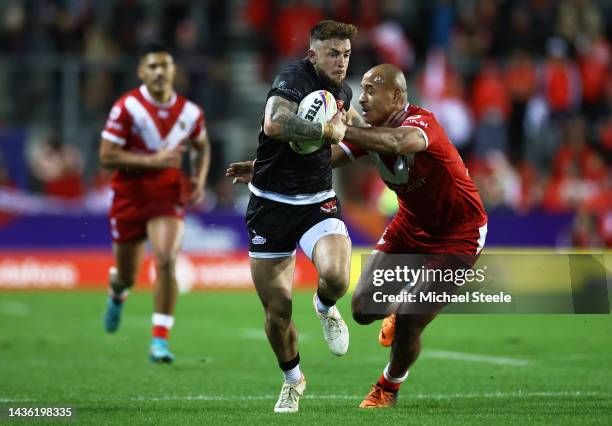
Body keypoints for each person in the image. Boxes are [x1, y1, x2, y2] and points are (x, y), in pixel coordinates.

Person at [228, 64, 487, 409]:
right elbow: (328, 159)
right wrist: (265, 170)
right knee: (363, 309)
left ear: (396, 96)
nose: (361, 98)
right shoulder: (373, 132)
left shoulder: (421, 125)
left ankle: (387, 388)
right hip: (409, 226)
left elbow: (395, 142)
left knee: (410, 320)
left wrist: (339, 128)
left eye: (370, 91)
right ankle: (392, 312)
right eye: (360, 90)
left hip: (459, 235)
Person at [227, 20, 361, 413]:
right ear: (312, 54)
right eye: (334, 53)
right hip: (270, 206)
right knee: (277, 313)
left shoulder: (344, 93)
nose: (341, 62)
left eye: (347, 54)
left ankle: (324, 306)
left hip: (318, 200)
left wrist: (265, 161)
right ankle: (293, 379)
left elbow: (329, 149)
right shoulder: (290, 79)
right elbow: (275, 122)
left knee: (337, 276)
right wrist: (324, 130)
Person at [99, 42, 210, 364]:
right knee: (127, 275)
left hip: (168, 196)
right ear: (141, 72)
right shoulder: (127, 108)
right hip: (130, 196)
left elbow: (202, 146)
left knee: (165, 260)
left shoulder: (190, 113)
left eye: (165, 65)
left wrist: (200, 179)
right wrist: (156, 159)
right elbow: (106, 157)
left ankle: (159, 341)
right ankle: (117, 292)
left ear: (174, 71)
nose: (159, 72)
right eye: (152, 66)